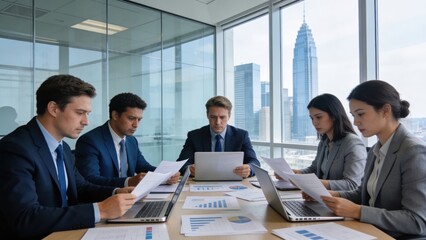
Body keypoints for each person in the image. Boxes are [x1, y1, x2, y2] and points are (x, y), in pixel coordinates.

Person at [0, 75, 136, 239]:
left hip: (69, 232)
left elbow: (81, 188)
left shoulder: (62, 147)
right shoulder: (15, 149)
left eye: (87, 114)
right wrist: (100, 210)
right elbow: (25, 217)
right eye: (80, 113)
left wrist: (117, 192)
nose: (86, 121)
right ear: (53, 109)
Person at [320, 80, 426, 238]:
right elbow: (365, 195)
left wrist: (357, 211)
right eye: (354, 115)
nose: (356, 122)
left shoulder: (413, 151)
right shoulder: (377, 149)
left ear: (385, 110)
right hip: (369, 231)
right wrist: (331, 195)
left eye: (361, 114)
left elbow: (417, 221)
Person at [75, 93, 180, 188]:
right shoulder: (90, 141)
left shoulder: (131, 140)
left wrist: (165, 175)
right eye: (131, 118)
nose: (136, 125)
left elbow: (142, 166)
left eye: (139, 119)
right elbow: (90, 179)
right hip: (105, 200)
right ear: (115, 115)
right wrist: (128, 181)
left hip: (131, 198)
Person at [291, 94, 367, 190]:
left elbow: (352, 184)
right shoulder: (324, 142)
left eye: (318, 117)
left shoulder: (352, 143)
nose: (314, 123)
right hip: (321, 196)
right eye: (312, 118)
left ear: (334, 116)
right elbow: (314, 169)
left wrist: (314, 182)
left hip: (340, 201)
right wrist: (297, 173)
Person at [176, 95, 260, 178]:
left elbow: (254, 162)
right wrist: (189, 168)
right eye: (213, 117)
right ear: (207, 115)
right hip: (202, 183)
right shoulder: (194, 136)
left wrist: (249, 169)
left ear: (229, 116)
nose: (218, 122)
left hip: (233, 183)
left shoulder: (241, 136)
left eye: (222, 117)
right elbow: (181, 163)